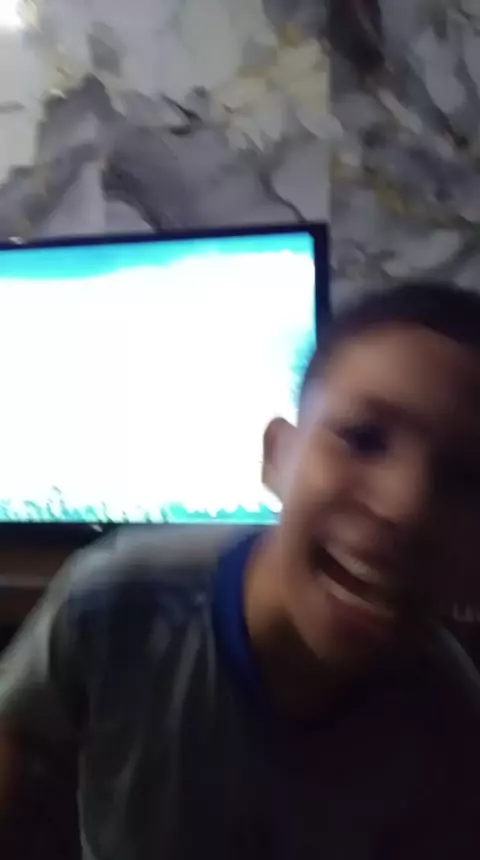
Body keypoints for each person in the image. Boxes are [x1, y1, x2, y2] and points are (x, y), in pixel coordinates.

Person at [1, 280, 480, 860]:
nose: (407, 506)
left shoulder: (450, 718)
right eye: (362, 438)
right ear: (278, 455)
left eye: (465, 478)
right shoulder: (114, 601)